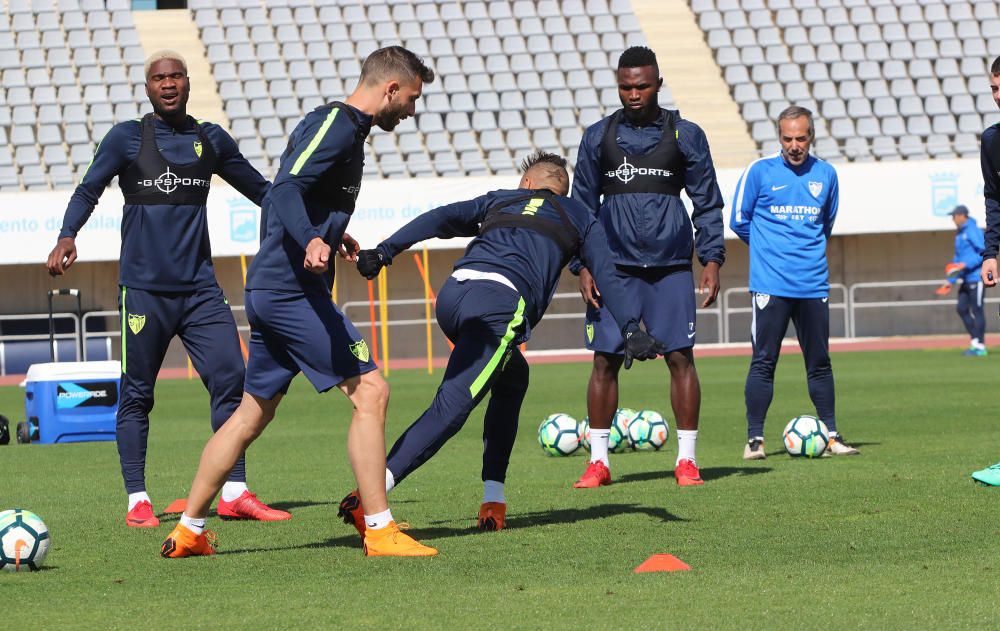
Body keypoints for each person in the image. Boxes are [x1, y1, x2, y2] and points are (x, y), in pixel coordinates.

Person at [160, 46, 439, 558]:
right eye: (413, 99)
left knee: (250, 415)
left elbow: (301, 190)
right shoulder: (337, 124)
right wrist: (312, 237)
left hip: (275, 289)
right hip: (290, 292)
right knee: (371, 392)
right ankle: (379, 529)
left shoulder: (338, 127)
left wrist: (334, 232)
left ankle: (188, 531)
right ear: (392, 89)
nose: (413, 111)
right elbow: (284, 189)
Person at [337, 151, 666, 534]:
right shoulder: (578, 216)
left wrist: (386, 250)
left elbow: (442, 217)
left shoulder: (501, 198)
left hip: (454, 296)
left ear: (527, 183)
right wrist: (630, 328)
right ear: (563, 189)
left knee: (513, 378)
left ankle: (493, 500)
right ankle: (370, 495)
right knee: (452, 406)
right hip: (499, 306)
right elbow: (607, 273)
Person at [46, 50, 290, 527]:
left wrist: (317, 226)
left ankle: (234, 491)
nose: (168, 83)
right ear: (148, 88)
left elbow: (266, 192)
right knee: (137, 394)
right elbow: (87, 189)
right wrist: (67, 234)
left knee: (233, 383)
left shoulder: (210, 140)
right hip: (143, 292)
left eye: (176, 75)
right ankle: (137, 499)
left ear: (187, 83)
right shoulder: (127, 138)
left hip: (201, 291)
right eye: (159, 78)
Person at [570, 46, 726, 489]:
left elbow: (707, 202)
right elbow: (580, 208)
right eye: (625, 86)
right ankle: (599, 463)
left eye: (642, 86)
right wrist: (583, 266)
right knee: (604, 361)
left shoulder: (686, 135)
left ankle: (687, 461)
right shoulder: (597, 137)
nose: (633, 94)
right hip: (613, 271)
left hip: (671, 268)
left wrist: (711, 259)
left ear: (658, 83)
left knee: (680, 358)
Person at [730, 105, 859, 459]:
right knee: (763, 361)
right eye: (787, 138)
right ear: (779, 137)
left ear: (811, 136)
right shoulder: (759, 172)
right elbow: (739, 220)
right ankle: (755, 439)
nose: (794, 145)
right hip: (770, 285)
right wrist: (770, 252)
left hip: (813, 284)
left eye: (801, 138)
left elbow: (825, 224)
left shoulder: (827, 175)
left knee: (820, 362)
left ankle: (831, 435)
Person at [971, 55, 1000, 486]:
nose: (998, 96)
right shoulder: (992, 140)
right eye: (994, 89)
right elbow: (995, 199)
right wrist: (990, 252)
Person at [934, 205, 986, 356]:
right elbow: (956, 261)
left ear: (962, 215)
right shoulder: (959, 234)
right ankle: (976, 340)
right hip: (965, 278)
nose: (952, 219)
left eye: (954, 216)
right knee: (961, 309)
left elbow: (984, 252)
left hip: (977, 278)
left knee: (977, 310)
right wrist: (949, 281)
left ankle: (980, 347)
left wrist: (966, 264)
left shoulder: (972, 230)